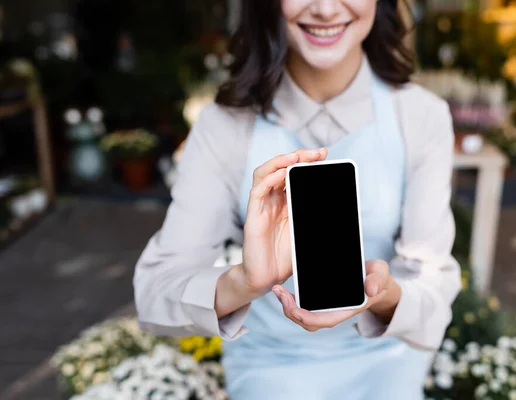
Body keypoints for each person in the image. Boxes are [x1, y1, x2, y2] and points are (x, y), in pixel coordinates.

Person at [133, 0, 461, 398]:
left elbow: (434, 287)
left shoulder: (421, 116)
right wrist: (243, 281)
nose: (324, 9)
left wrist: (385, 295)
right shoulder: (225, 125)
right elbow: (154, 293)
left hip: (387, 366)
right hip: (270, 371)